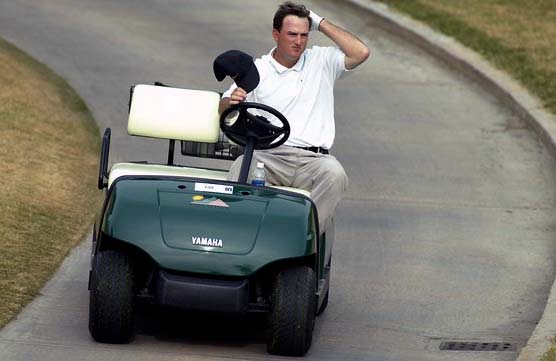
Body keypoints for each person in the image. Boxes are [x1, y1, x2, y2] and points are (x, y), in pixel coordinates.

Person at [219, 1, 370, 233]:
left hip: (314, 161)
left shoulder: (322, 61)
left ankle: (302, 240)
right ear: (276, 35)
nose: (298, 42)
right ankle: (235, 237)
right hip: (269, 156)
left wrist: (318, 22)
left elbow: (361, 52)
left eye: (304, 35)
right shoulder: (257, 69)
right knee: (242, 167)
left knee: (335, 174)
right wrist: (233, 101)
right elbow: (224, 107)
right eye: (291, 34)